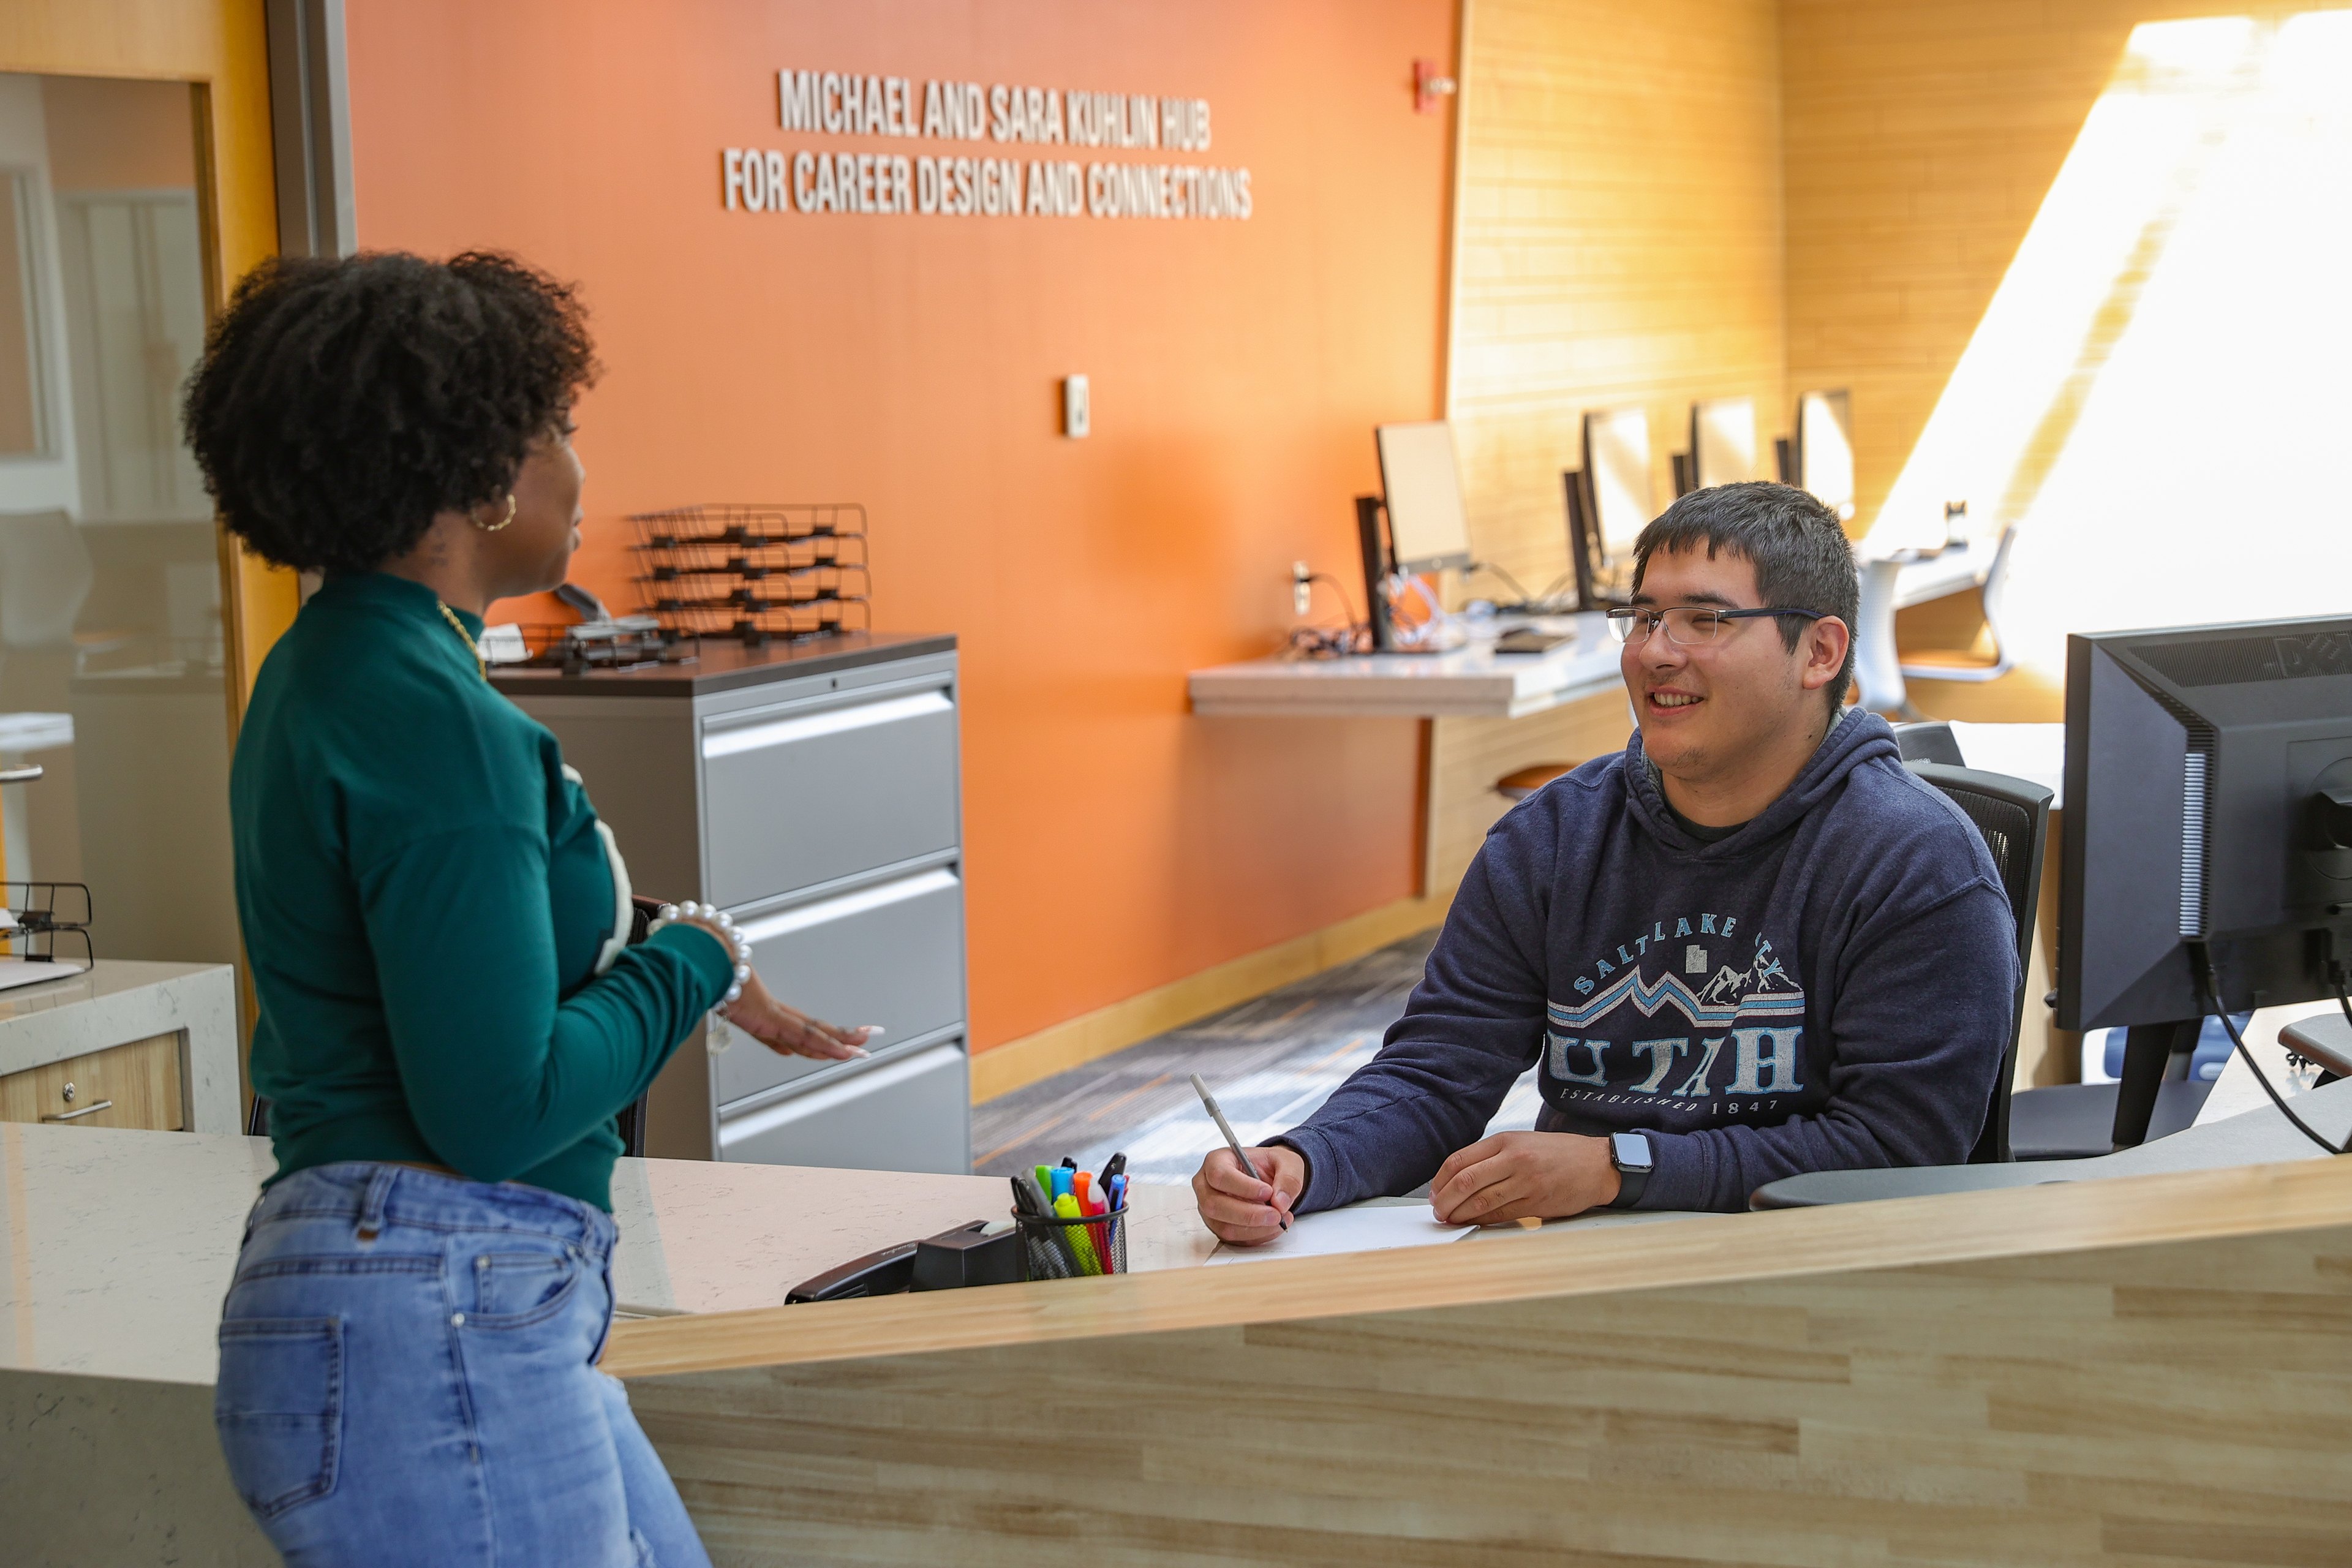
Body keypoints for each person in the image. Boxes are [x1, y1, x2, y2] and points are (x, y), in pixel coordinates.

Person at [184, 251, 873, 1566]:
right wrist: (688, 959)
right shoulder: (443, 724)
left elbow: (455, 932)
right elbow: (498, 1106)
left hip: (408, 1301)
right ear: (485, 474)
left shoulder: (333, 666)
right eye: (559, 431)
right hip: (436, 1307)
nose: (578, 468)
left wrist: (698, 961)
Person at [1194, 481, 2019, 1240]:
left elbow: (1899, 1148)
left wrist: (1619, 1168)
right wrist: (1304, 1160)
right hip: (1583, 1273)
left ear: (1820, 653)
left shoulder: (1917, 862)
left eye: (1707, 620)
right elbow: (1438, 1071)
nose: (1657, 651)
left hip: (1811, 1275)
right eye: (1647, 618)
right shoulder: (1551, 839)